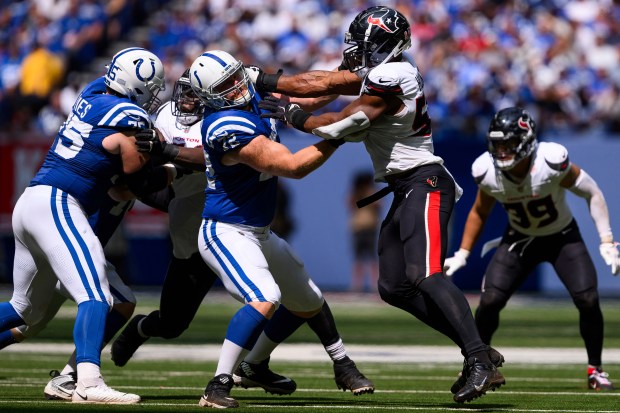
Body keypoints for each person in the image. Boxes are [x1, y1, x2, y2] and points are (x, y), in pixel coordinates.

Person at [254, 6, 505, 403]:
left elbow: (346, 123)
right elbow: (325, 84)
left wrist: (293, 115)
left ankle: (477, 358)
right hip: (405, 187)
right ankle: (475, 346)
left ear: (385, 46)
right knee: (394, 285)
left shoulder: (394, 75)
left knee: (427, 273)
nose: (355, 52)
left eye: (364, 45)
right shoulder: (385, 72)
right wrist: (270, 86)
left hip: (425, 181)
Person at [110, 68, 374, 399]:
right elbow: (288, 165)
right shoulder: (216, 124)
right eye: (223, 85)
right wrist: (337, 133)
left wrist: (365, 81)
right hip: (212, 230)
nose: (236, 87)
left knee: (304, 295)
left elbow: (311, 93)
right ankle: (206, 372)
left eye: (235, 78)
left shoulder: (247, 104)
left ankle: (321, 363)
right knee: (177, 321)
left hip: (252, 229)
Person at [0, 46, 165, 404]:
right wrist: (169, 159)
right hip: (59, 202)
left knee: (22, 309)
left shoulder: (91, 92)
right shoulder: (130, 116)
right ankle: (87, 384)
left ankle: (73, 379)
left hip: (33, 200)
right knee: (96, 295)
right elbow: (137, 177)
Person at [443, 106, 620, 391]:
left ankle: (595, 370)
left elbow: (592, 192)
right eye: (497, 145)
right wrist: (463, 252)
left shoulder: (550, 162)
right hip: (520, 238)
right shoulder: (486, 171)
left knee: (587, 299)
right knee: (489, 302)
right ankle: (477, 366)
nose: (502, 151)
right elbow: (479, 211)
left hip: (562, 237)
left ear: (526, 140)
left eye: (509, 144)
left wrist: (607, 240)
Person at [0, 194, 137, 401]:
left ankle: (66, 380)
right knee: (117, 301)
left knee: (26, 318)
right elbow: (143, 184)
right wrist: (176, 171)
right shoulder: (115, 168)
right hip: (70, 246)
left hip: (55, 239)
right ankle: (73, 378)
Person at [348, 170, 381, 293]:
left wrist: (369, 193)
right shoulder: (355, 194)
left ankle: (375, 285)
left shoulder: (373, 193)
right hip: (358, 228)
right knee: (358, 259)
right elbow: (349, 204)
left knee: (373, 258)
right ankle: (356, 286)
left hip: (370, 228)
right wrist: (359, 193)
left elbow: (379, 205)